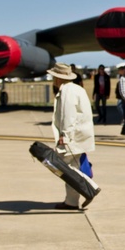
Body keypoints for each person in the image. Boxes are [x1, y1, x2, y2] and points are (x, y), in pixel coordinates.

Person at [48, 63, 96, 210]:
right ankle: (72, 201)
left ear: (57, 78)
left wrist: (65, 135)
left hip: (72, 137)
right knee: (73, 167)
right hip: (80, 135)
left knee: (68, 170)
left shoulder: (67, 92)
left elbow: (68, 116)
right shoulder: (77, 89)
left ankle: (89, 189)